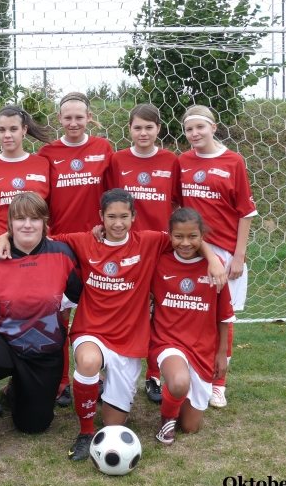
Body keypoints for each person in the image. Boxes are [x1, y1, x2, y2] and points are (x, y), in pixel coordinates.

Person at [27, 188, 226, 462]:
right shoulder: (84, 241)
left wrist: (213, 258)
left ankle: (111, 407)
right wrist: (4, 237)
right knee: (87, 362)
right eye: (111, 217)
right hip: (91, 331)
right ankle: (85, 432)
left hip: (129, 342)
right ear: (101, 217)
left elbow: (189, 236)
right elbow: (39, 238)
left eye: (123, 216)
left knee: (113, 427)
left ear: (134, 217)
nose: (117, 223)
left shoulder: (150, 242)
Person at [0, 192, 82, 466]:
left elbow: (83, 293)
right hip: (1, 339)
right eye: (20, 218)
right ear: (10, 224)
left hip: (44, 351)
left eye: (34, 219)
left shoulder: (62, 254)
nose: (27, 225)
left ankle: (14, 391)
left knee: (33, 426)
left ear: (44, 223)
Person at [37, 92, 114, 408]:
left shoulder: (103, 148)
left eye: (79, 117)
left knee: (103, 313)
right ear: (59, 119)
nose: (73, 123)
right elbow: (40, 200)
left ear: (89, 117)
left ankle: (101, 377)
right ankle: (62, 381)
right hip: (61, 246)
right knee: (59, 315)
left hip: (97, 245)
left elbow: (113, 196)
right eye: (67, 117)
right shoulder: (47, 153)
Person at [178, 105, 257, 408]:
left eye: (200, 127)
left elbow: (246, 213)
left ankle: (218, 384)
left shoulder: (233, 161)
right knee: (192, 310)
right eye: (189, 129)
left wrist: (238, 257)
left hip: (224, 251)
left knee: (224, 316)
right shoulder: (182, 161)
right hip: (190, 250)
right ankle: (190, 374)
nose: (194, 134)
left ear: (213, 126)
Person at [105, 103, 182, 405]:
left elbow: (176, 202)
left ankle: (153, 374)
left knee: (160, 309)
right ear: (130, 129)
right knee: (127, 306)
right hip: (127, 248)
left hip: (160, 248)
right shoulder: (117, 160)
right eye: (138, 127)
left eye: (149, 127)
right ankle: (110, 369)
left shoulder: (170, 160)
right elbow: (112, 203)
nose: (143, 133)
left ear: (158, 129)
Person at [150, 208, 235, 445]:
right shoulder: (158, 261)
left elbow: (224, 315)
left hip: (202, 348)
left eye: (192, 236)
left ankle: (178, 399)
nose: (185, 243)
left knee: (189, 427)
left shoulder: (214, 267)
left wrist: (221, 353)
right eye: (178, 236)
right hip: (167, 342)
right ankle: (166, 420)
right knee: (178, 382)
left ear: (202, 235)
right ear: (169, 235)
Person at [0, 105, 52, 245]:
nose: (7, 135)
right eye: (2, 130)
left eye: (13, 129)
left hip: (37, 242)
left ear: (24, 130)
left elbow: (52, 208)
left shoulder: (43, 164)